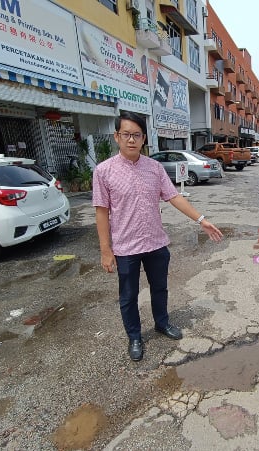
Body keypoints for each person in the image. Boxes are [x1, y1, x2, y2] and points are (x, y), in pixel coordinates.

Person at [92, 111, 223, 362]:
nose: (131, 140)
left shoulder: (154, 168)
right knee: (128, 296)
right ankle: (134, 336)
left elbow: (174, 197)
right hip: (125, 246)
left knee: (160, 288)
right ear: (117, 136)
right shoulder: (103, 171)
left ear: (144, 139)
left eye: (137, 135)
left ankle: (162, 323)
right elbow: (101, 212)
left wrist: (201, 220)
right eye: (126, 134)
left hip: (155, 242)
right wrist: (106, 250)